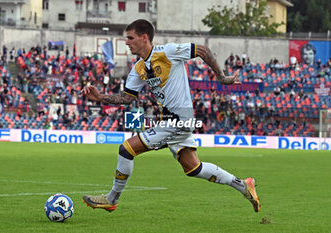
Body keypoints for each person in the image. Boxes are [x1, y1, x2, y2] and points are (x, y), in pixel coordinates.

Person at [81, 19, 260, 213]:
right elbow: (126, 98)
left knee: (126, 150)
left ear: (144, 38)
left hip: (179, 120)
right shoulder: (139, 69)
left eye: (130, 37)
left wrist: (221, 77)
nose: (126, 42)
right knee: (193, 168)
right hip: (172, 120)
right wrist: (100, 98)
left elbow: (203, 51)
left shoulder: (167, 52)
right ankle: (244, 185)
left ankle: (111, 199)